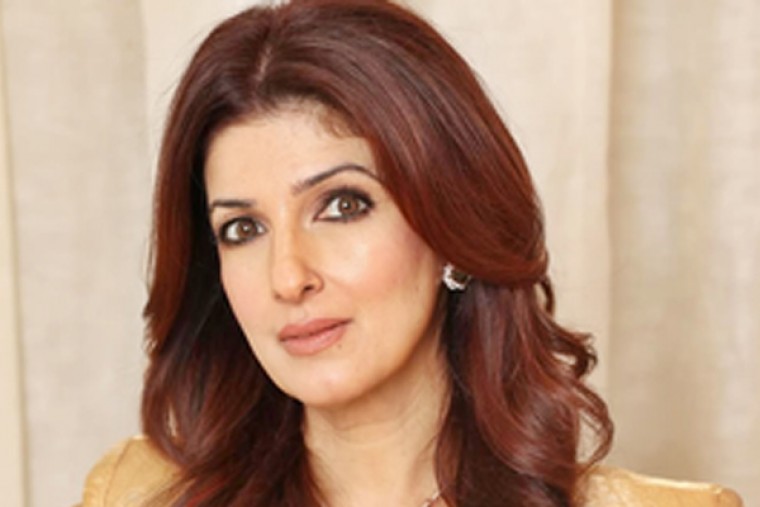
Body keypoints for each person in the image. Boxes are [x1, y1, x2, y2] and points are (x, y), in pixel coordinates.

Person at [79, 1, 742, 506]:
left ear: (450, 225)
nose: (287, 276)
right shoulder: (133, 495)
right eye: (243, 228)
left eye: (343, 205)